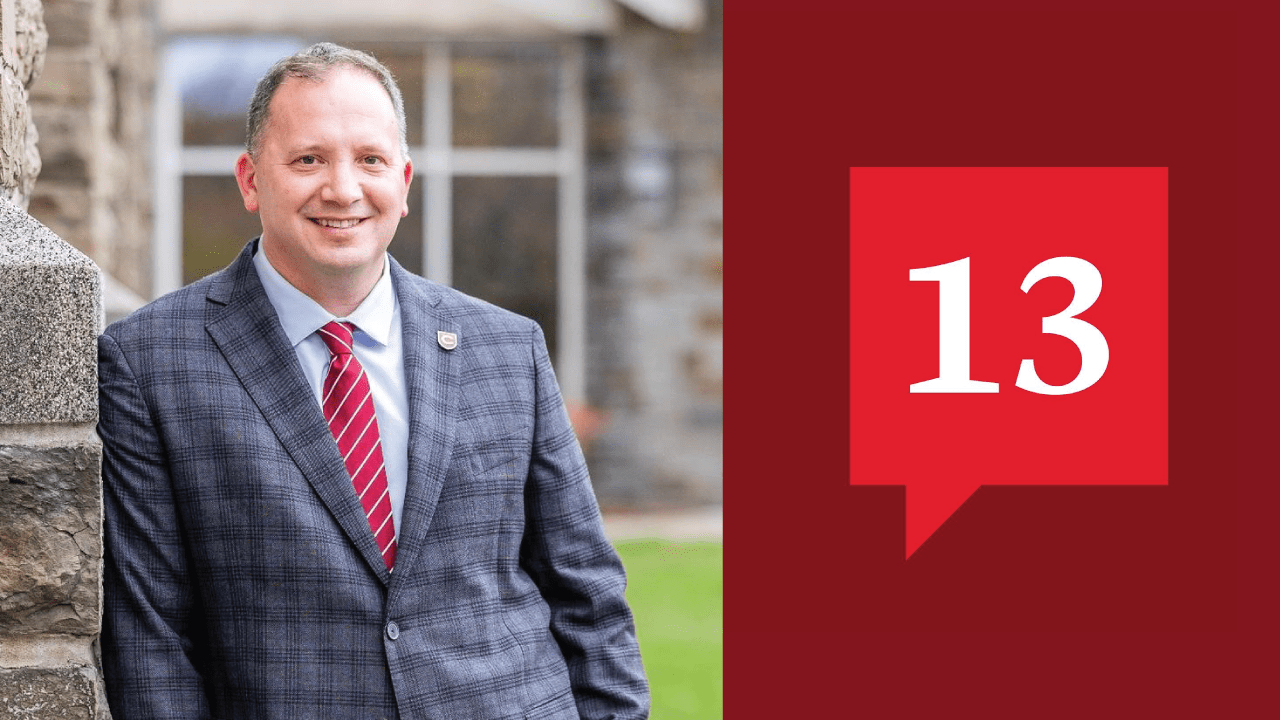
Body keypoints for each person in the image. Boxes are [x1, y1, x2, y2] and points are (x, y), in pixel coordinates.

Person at [98, 42, 649, 719]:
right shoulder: (149, 362)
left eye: (370, 160)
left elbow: (588, 593)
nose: (343, 189)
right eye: (308, 159)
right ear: (250, 180)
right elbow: (152, 638)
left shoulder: (508, 348)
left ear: (404, 182)